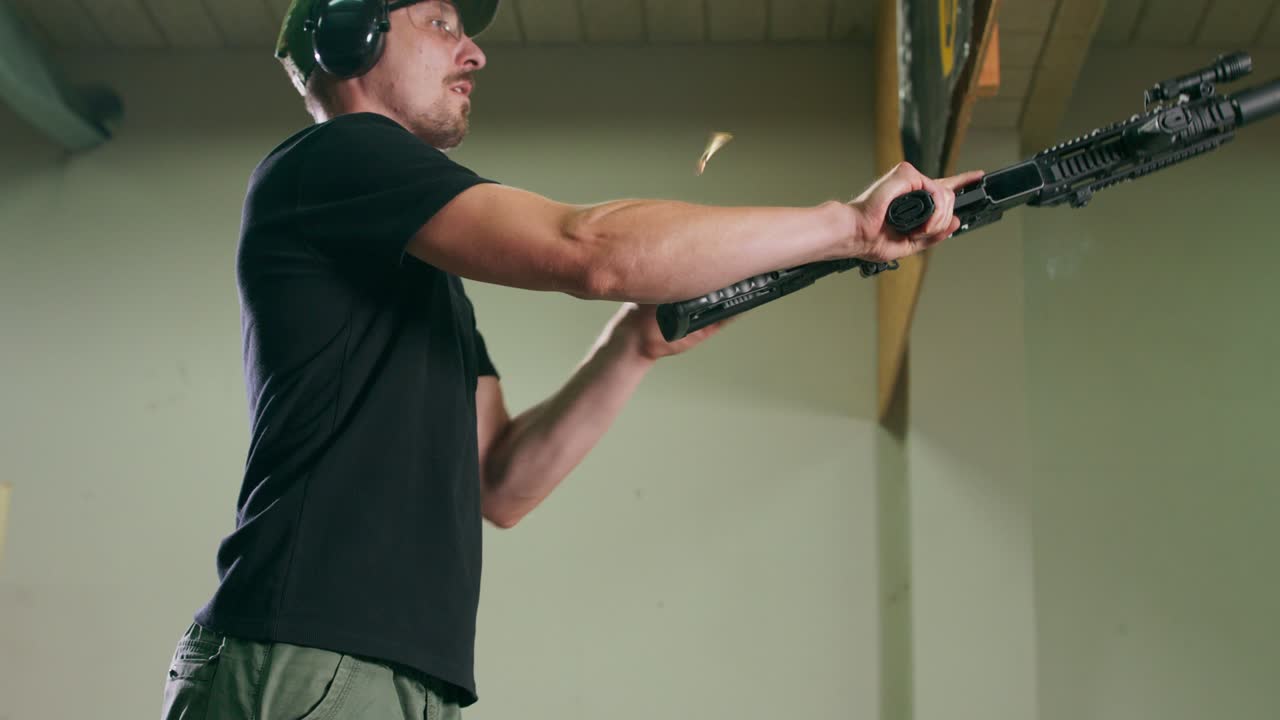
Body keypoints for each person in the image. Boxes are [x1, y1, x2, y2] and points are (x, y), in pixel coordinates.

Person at [160, 0, 982, 717]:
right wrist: (846, 225)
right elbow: (589, 250)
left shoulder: (415, 268)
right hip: (310, 656)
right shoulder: (336, 157)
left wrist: (631, 347)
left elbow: (501, 480)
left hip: (387, 675)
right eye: (440, 22)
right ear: (351, 32)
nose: (473, 52)